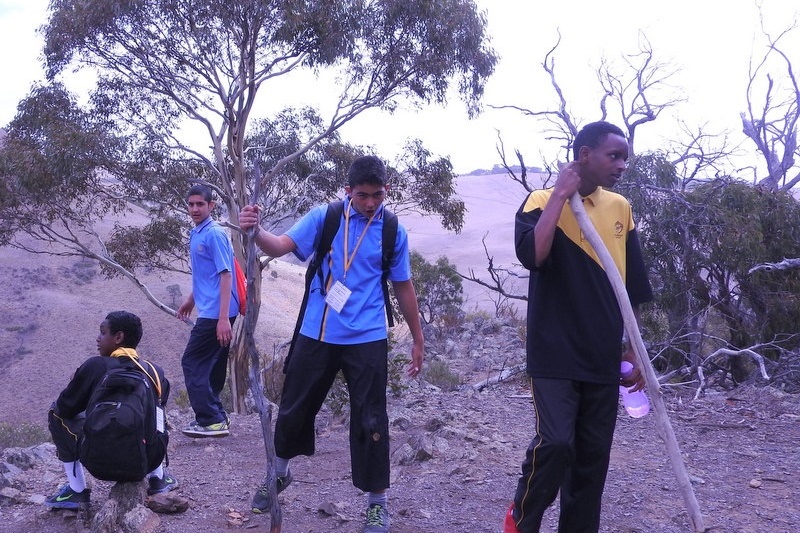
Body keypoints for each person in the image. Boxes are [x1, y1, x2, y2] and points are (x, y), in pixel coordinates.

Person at [238, 155, 424, 533]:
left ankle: (377, 505)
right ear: (347, 192)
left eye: (377, 194)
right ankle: (279, 474)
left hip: (368, 336)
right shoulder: (326, 218)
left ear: (385, 191)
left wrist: (418, 338)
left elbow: (403, 285)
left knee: (372, 419)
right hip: (317, 331)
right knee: (294, 407)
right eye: (362, 195)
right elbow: (279, 245)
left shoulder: (392, 230)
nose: (370, 202)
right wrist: (254, 231)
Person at [506, 121, 653, 533]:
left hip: (603, 355)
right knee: (554, 443)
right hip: (554, 352)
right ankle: (520, 522)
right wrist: (559, 196)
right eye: (614, 155)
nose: (622, 165)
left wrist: (632, 348)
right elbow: (534, 255)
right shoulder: (539, 201)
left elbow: (633, 286)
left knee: (591, 461)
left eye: (625, 157)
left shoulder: (621, 208)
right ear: (584, 154)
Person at [46, 311, 177, 510]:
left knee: (55, 412)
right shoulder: (154, 371)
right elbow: (157, 417)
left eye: (103, 332)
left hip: (98, 463)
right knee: (157, 413)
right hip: (145, 462)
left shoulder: (95, 366)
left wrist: (76, 384)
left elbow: (65, 407)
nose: (98, 338)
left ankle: (77, 490)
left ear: (118, 337)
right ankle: (158, 480)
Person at [177, 184, 239, 438]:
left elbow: (226, 275)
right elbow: (206, 274)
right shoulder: (196, 233)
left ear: (211, 206)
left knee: (191, 361)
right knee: (212, 365)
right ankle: (217, 417)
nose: (194, 209)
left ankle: (210, 420)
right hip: (211, 309)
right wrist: (191, 300)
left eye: (200, 204)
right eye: (191, 204)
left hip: (216, 313)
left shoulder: (214, 234)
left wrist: (223, 318)